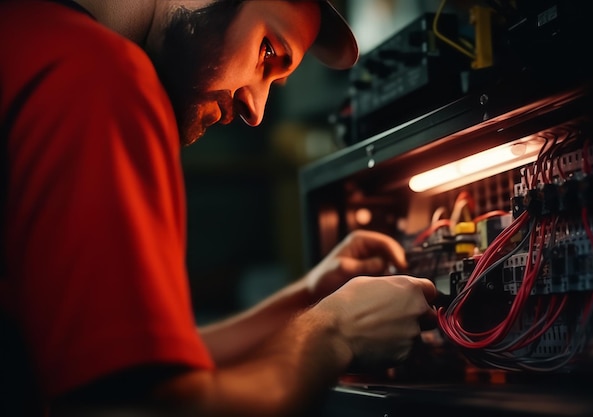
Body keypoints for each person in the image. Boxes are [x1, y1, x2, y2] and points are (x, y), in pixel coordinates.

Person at [0, 0, 438, 416]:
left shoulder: (31, 36)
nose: (257, 110)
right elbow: (140, 407)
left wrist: (310, 297)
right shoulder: (101, 76)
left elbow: (126, 365)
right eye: (268, 51)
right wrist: (334, 334)